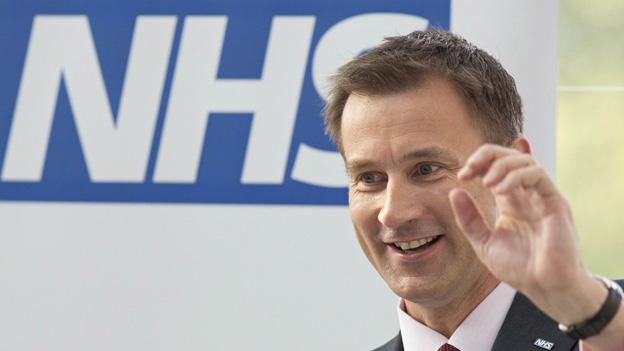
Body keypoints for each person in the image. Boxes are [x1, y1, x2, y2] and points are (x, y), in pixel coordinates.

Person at [322, 30, 623, 351]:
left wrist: (584, 308)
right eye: (369, 178)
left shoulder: (602, 323)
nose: (393, 212)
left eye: (426, 169)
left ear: (510, 167)